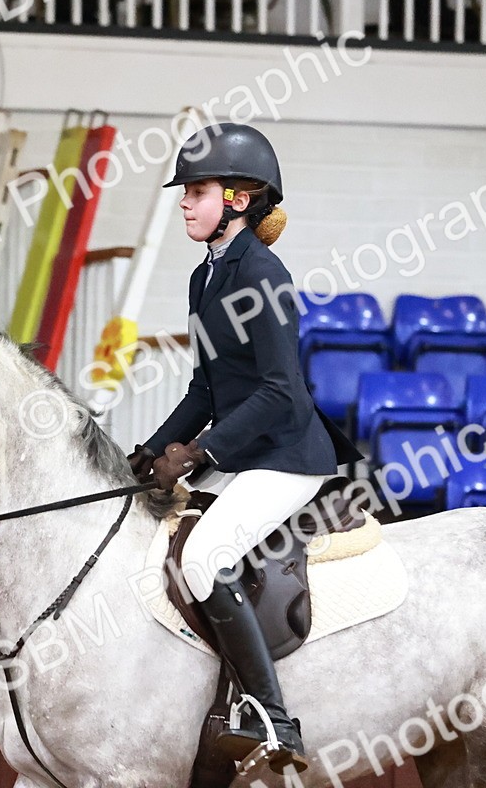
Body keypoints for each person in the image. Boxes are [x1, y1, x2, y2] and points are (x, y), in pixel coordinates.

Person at [127, 122, 362, 774]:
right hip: (244, 453)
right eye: (185, 191)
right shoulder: (206, 277)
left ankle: (274, 720)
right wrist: (151, 449)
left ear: (239, 196)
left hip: (287, 454)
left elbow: (282, 392)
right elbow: (206, 386)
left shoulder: (263, 275)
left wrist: (199, 454)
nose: (183, 201)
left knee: (203, 558)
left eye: (195, 190)